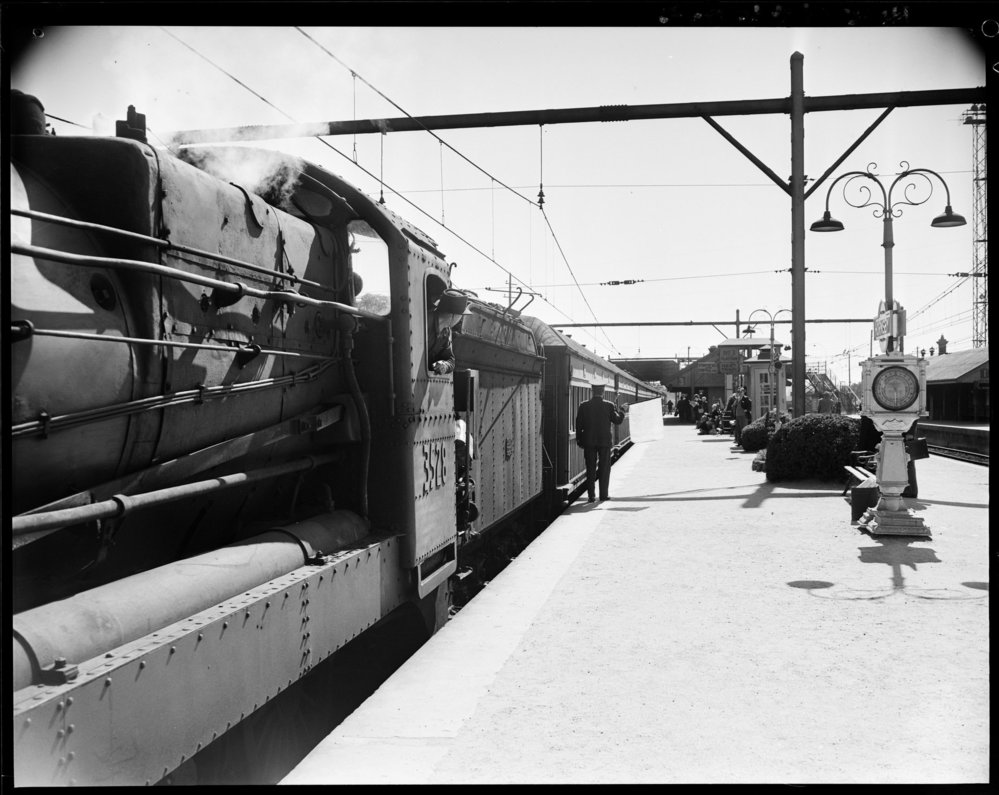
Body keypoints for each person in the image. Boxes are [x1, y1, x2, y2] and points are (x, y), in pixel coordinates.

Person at [575, 383, 625, 502]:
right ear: (603, 392)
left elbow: (578, 425)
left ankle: (591, 496)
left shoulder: (584, 406)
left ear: (592, 391)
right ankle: (603, 495)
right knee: (604, 469)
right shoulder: (609, 405)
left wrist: (579, 440)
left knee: (590, 469)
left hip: (589, 442)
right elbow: (617, 420)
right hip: (604, 442)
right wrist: (622, 411)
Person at [428, 289, 471, 374]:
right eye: (461, 316)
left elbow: (450, 360)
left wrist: (445, 365)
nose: (460, 319)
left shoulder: (447, 332)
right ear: (453, 316)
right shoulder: (425, 322)